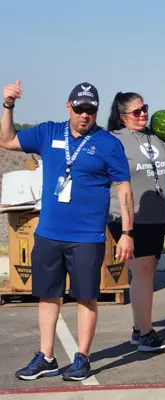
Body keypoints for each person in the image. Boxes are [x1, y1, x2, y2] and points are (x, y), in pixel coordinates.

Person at [1, 80, 134, 381]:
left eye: (91, 110)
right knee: (48, 295)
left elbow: (124, 189)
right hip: (49, 233)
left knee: (86, 297)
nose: (84, 115)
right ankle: (46, 357)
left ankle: (82, 358)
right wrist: (8, 106)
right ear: (68, 107)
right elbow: (6, 140)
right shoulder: (48, 132)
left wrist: (127, 232)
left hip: (87, 237)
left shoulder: (108, 144)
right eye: (79, 108)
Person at [106, 91, 165, 351]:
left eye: (144, 108)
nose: (143, 114)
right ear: (123, 117)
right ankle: (146, 335)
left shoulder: (157, 138)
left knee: (144, 273)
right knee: (144, 272)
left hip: (157, 218)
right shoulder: (114, 141)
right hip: (130, 218)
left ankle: (139, 330)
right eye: (136, 111)